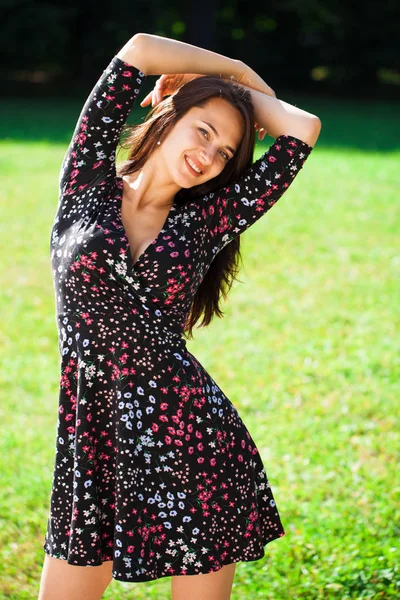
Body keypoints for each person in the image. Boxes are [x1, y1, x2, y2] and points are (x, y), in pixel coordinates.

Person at [38, 32, 321, 600]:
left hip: (192, 436)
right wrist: (232, 69)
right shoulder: (87, 181)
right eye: (204, 131)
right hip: (92, 431)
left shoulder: (210, 219)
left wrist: (237, 92)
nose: (209, 156)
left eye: (225, 153)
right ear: (168, 118)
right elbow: (139, 50)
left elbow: (301, 128)